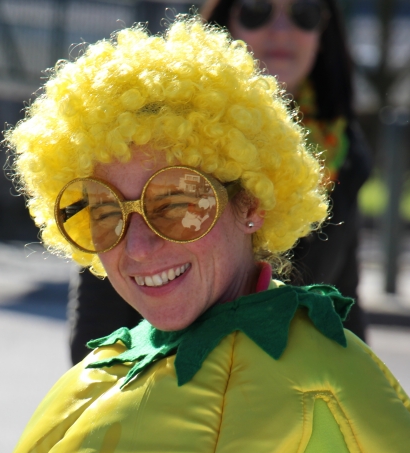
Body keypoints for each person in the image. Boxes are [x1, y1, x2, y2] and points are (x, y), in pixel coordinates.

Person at [0, 19, 410, 453]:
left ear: (251, 203)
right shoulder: (86, 383)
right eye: (105, 212)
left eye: (177, 202)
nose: (137, 247)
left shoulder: (325, 390)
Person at [67, 0, 371, 364]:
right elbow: (97, 329)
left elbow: (344, 301)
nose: (281, 31)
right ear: (224, 20)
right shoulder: (146, 128)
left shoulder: (342, 155)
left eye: (303, 13)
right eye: (256, 10)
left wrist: (356, 384)